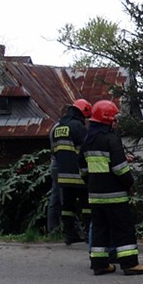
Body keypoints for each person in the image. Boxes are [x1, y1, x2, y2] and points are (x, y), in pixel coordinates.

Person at [79, 99, 143, 276]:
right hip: (115, 195)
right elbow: (120, 169)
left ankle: (99, 264)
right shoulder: (111, 139)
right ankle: (129, 264)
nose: (117, 123)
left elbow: (83, 168)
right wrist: (130, 183)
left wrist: (92, 184)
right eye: (115, 119)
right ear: (107, 120)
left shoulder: (88, 140)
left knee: (99, 230)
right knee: (123, 229)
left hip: (95, 196)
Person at [50, 99, 92, 245]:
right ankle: (89, 235)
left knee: (67, 208)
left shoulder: (58, 128)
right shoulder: (77, 127)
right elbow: (87, 149)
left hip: (63, 176)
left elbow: (55, 152)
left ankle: (70, 235)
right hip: (79, 176)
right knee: (87, 207)